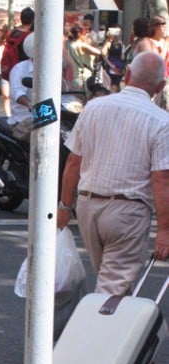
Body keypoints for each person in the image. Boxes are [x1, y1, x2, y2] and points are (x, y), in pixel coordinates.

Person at [58, 52, 169, 297]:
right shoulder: (161, 121)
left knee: (111, 281)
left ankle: (114, 329)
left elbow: (74, 161)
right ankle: (96, 333)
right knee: (111, 288)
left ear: (127, 75)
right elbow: (161, 179)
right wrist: (164, 230)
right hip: (127, 212)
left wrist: (65, 207)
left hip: (87, 206)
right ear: (161, 86)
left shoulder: (94, 108)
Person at [7, 32, 34, 131]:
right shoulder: (20, 69)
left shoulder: (53, 71)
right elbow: (18, 93)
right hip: (23, 120)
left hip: (49, 117)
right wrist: (30, 104)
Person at [66, 23, 102, 92]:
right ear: (80, 34)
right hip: (85, 78)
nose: (86, 35)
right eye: (85, 33)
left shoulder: (71, 45)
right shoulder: (82, 45)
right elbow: (99, 53)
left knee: (78, 100)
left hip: (76, 77)